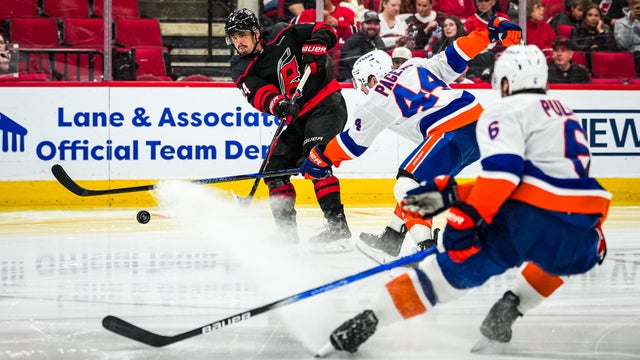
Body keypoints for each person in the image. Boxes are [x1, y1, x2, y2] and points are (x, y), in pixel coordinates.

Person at [321, 44, 610, 355]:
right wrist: (452, 196)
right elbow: (554, 184)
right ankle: (511, 307)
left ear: (505, 82)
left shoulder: (504, 114)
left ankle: (371, 318)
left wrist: (463, 216)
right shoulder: (565, 112)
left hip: (521, 223)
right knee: (562, 250)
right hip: (585, 232)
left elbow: (503, 178)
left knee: (440, 277)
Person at [300, 16, 523, 263]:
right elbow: (456, 55)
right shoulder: (414, 65)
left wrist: (321, 157)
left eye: (362, 83)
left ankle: (426, 250)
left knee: (406, 186)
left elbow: (353, 145)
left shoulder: (374, 99)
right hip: (476, 125)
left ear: (372, 79)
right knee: (419, 182)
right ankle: (391, 239)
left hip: (450, 128)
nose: (361, 90)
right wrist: (489, 35)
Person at [225, 9, 352, 251]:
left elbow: (323, 29)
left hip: (326, 105)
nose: (238, 42)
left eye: (242, 35)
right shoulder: (240, 66)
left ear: (256, 33)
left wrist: (316, 46)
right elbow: (257, 94)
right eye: (233, 37)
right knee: (274, 170)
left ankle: (338, 231)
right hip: (296, 117)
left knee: (316, 161)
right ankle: (286, 232)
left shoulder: (283, 32)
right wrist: (279, 104)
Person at [337, 10, 386, 82]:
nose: (372, 26)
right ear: (361, 25)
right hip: (352, 80)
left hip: (373, 79)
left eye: (376, 24)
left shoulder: (379, 41)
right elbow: (354, 66)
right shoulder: (352, 41)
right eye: (369, 23)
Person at [292, 0, 356, 42]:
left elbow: (354, 34)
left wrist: (338, 24)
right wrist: (316, 15)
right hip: (313, 53)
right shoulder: (306, 14)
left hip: (339, 55)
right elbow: (294, 31)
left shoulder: (346, 12)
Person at [613, 0, 640, 75]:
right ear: (630, 6)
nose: (638, 6)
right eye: (635, 3)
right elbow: (623, 44)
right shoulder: (620, 23)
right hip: (633, 56)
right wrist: (630, 21)